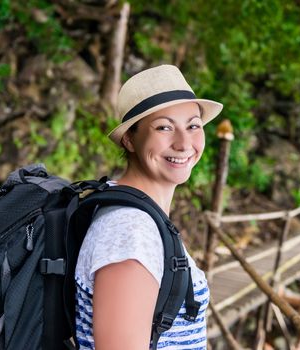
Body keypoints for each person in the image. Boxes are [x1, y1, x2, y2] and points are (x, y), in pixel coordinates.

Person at [74, 65, 223, 349]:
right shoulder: (130, 232)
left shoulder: (141, 217)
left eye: (193, 126)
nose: (183, 143)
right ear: (130, 138)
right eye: (164, 127)